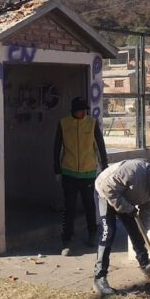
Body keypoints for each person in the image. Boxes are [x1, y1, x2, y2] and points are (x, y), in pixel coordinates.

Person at [92, 159, 150, 295]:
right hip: (106, 192)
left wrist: (142, 231)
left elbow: (148, 209)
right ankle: (99, 278)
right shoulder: (134, 171)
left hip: (126, 199)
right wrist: (128, 208)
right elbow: (106, 187)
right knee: (108, 232)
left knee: (136, 231)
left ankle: (145, 264)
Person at [53, 97, 109, 256]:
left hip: (88, 172)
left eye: (85, 110)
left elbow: (100, 146)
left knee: (89, 205)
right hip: (68, 172)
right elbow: (57, 147)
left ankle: (92, 234)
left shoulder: (92, 123)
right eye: (81, 110)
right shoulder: (64, 123)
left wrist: (104, 167)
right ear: (74, 110)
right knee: (68, 207)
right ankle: (66, 241)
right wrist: (57, 170)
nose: (84, 112)